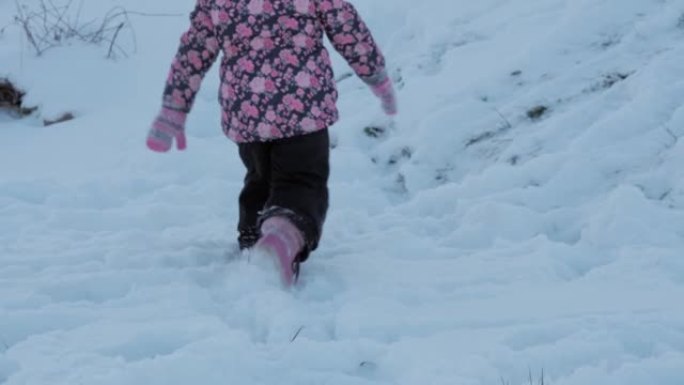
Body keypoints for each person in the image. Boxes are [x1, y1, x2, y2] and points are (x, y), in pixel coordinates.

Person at [146, 0, 397, 286]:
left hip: (248, 112)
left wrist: (174, 108)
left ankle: (254, 239)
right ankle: (283, 235)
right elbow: (348, 28)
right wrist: (378, 79)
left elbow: (194, 51)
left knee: (260, 178)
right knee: (301, 181)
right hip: (303, 108)